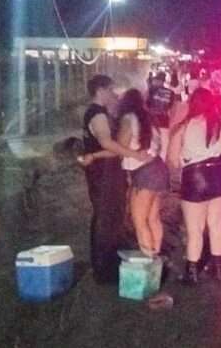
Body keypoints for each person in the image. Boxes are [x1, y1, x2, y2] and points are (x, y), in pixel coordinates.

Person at [78, 75, 150, 284]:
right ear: (100, 90)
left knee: (109, 216)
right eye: (110, 89)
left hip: (104, 171)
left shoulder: (100, 112)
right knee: (106, 216)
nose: (113, 93)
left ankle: (107, 264)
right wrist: (134, 154)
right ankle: (104, 267)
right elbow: (107, 143)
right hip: (104, 173)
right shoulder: (97, 114)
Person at [168, 88, 221, 285]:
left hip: (195, 177)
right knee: (216, 224)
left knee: (195, 229)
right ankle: (217, 268)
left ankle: (192, 273)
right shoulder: (219, 119)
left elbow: (172, 160)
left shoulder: (183, 127)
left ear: (191, 104)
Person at [116, 89, 170, 257]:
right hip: (158, 168)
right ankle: (156, 255)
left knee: (139, 221)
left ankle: (148, 260)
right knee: (153, 218)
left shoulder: (128, 119)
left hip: (144, 172)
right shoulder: (150, 118)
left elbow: (120, 147)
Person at [148, 72, 176, 161]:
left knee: (153, 145)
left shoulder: (151, 91)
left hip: (152, 121)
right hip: (164, 122)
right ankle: (161, 163)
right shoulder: (171, 93)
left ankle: (152, 162)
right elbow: (171, 108)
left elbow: (146, 105)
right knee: (164, 146)